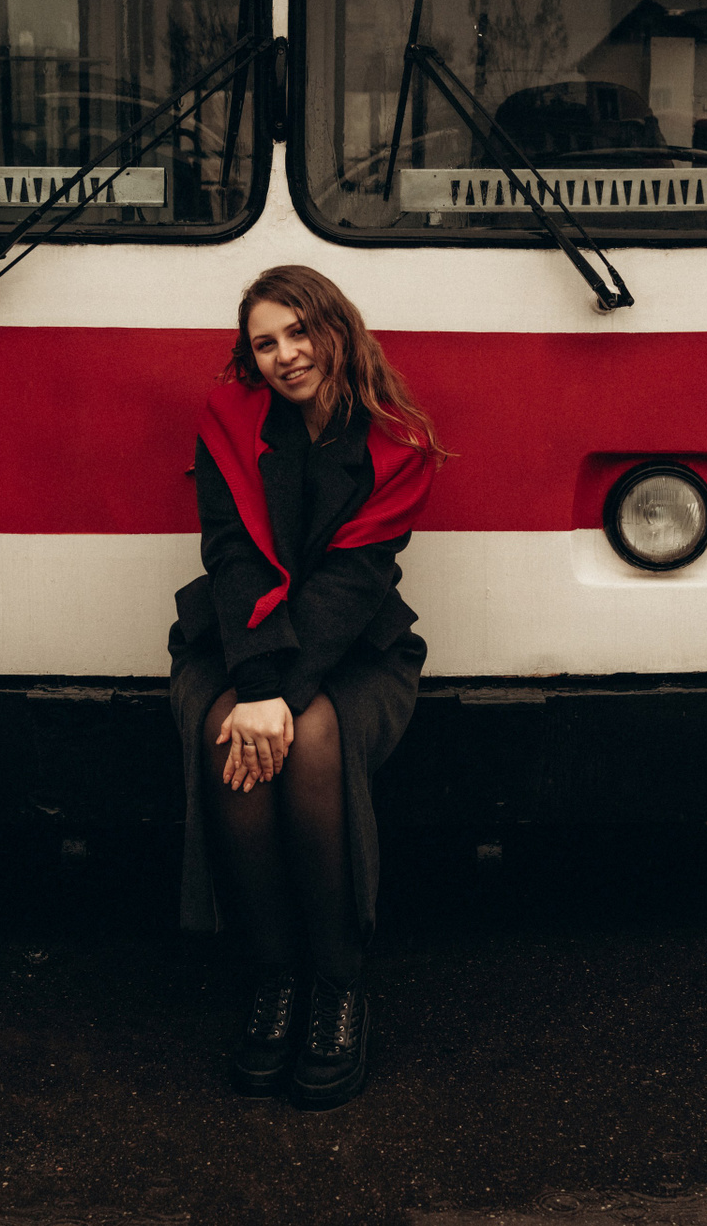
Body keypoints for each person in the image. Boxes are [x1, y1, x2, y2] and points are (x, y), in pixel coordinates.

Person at [168, 264, 446, 1109]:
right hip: (234, 638)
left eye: (299, 331)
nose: (286, 354)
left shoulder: (398, 440)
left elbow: (351, 585)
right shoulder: (229, 419)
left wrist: (281, 699)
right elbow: (232, 554)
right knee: (227, 729)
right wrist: (255, 683)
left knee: (316, 736)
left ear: (336, 328)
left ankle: (337, 984)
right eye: (265, 343)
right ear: (249, 358)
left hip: (355, 647)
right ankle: (273, 977)